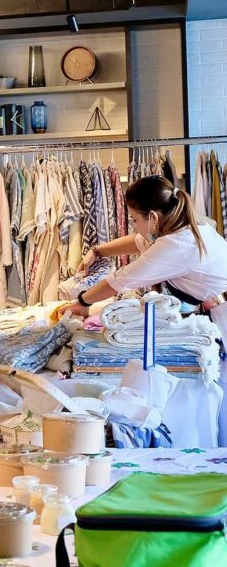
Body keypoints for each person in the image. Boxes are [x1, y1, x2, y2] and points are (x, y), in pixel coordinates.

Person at [63, 175, 227, 441]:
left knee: (222, 401)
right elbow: (139, 242)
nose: (134, 225)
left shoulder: (176, 245)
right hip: (218, 311)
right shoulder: (182, 228)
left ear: (152, 216)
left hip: (223, 314)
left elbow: (120, 280)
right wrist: (98, 251)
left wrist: (82, 303)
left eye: (135, 219)